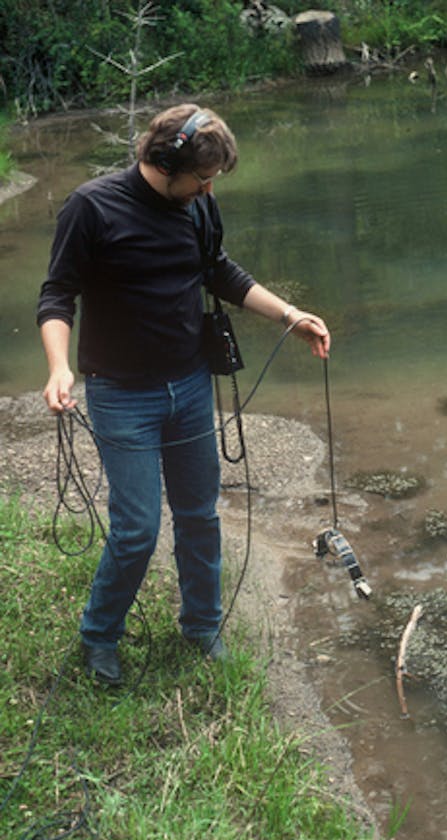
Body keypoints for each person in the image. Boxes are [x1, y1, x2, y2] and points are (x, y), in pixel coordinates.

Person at [37, 103, 330, 686]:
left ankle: (201, 626)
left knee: (199, 515)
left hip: (192, 386)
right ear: (166, 162)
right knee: (137, 528)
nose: (210, 187)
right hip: (122, 396)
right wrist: (57, 367)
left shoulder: (197, 205)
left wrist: (289, 316)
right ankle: (99, 637)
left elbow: (219, 271)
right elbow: (56, 295)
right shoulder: (91, 207)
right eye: (203, 177)